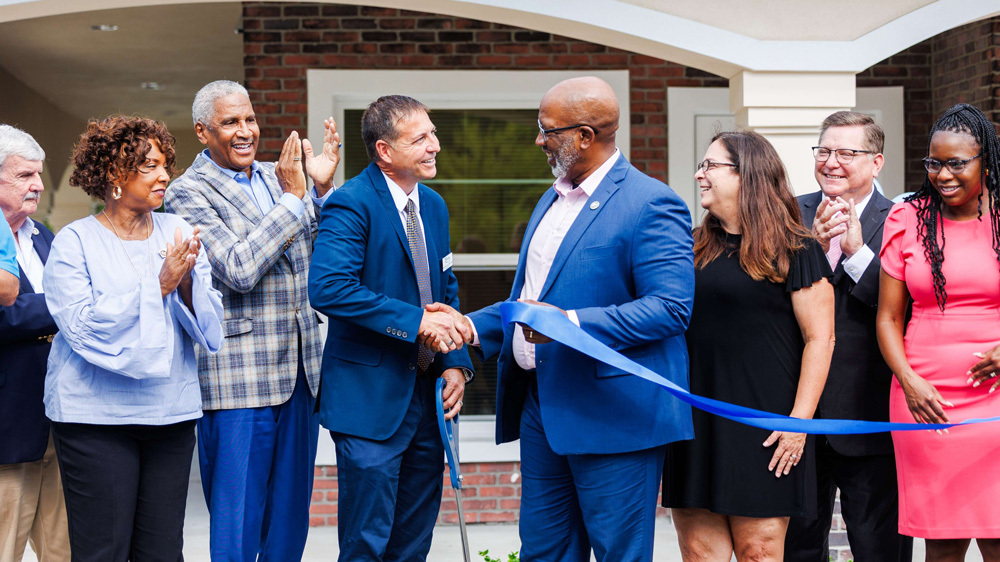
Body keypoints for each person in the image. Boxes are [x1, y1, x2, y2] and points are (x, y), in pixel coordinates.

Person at [431, 76, 695, 561]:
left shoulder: (651, 202)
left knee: (619, 552)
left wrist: (569, 323)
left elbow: (671, 308)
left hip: (613, 413)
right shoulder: (550, 198)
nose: (538, 140)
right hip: (541, 409)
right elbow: (531, 299)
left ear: (585, 137)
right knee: (544, 552)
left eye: (546, 130)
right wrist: (470, 325)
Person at [163, 79, 341, 561]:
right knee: (238, 525)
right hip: (239, 381)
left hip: (303, 374)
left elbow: (317, 254)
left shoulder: (277, 176)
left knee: (289, 523)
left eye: (250, 120)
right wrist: (294, 199)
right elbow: (238, 268)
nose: (245, 132)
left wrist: (320, 192)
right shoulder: (185, 194)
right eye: (230, 123)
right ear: (202, 131)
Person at [43, 115, 223, 561]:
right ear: (114, 175)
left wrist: (184, 285)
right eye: (150, 166)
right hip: (94, 419)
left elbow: (210, 326)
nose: (166, 175)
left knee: (162, 551)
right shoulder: (75, 241)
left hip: (169, 415)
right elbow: (81, 327)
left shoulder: (177, 231)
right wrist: (158, 285)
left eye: (166, 164)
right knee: (104, 549)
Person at [308, 94, 473, 561]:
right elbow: (328, 288)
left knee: (413, 543)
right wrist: (416, 322)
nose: (434, 146)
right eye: (420, 138)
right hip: (369, 403)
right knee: (367, 544)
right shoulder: (351, 203)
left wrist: (456, 363)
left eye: (433, 134)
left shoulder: (434, 206)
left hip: (427, 403)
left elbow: (445, 286)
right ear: (384, 150)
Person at [662, 130, 835, 562]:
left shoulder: (797, 248)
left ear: (747, 175)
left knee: (759, 552)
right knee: (700, 553)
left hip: (768, 427)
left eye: (710, 166)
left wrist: (800, 424)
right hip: (695, 421)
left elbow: (821, 338)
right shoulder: (687, 246)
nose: (699, 175)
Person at [785, 112, 912, 561]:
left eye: (847, 152)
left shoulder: (904, 220)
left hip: (872, 415)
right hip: (797, 417)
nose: (832, 162)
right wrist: (812, 252)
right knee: (797, 549)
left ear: (876, 162)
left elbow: (909, 311)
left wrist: (858, 256)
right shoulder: (787, 213)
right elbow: (767, 304)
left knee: (881, 550)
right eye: (824, 151)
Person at [877, 103, 1000, 561]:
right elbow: (888, 318)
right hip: (925, 399)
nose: (942, 174)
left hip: (996, 402)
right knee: (941, 542)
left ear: (985, 161)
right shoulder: (907, 219)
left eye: (956, 163)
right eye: (934, 163)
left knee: (998, 534)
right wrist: (908, 381)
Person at [0, 124, 69, 562]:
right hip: (6, 432)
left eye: (38, 175)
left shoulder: (44, 235)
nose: (38, 185)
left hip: (58, 424)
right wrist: (63, 305)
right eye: (25, 175)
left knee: (63, 553)